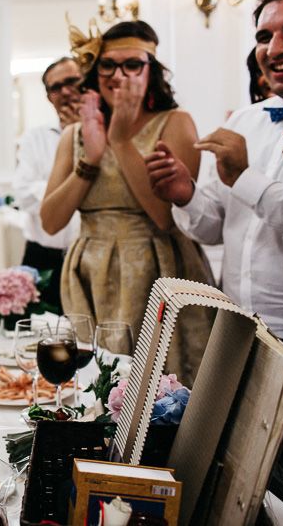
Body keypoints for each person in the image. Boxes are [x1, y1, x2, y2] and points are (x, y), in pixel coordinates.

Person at [40, 20, 214, 383]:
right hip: (90, 273)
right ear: (95, 70)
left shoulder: (175, 123)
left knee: (163, 392)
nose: (119, 75)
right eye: (108, 64)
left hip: (158, 269)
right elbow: (51, 221)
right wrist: (89, 160)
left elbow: (165, 218)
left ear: (151, 71)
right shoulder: (73, 134)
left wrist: (120, 141)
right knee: (97, 389)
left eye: (132, 64)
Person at [144, 0, 283, 345]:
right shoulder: (243, 121)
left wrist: (244, 178)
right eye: (263, 36)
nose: (275, 48)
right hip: (237, 328)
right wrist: (185, 194)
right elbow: (213, 229)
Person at [13, 57, 82, 312]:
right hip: (43, 256)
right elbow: (23, 194)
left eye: (72, 81)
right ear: (49, 97)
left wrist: (47, 187)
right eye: (56, 87)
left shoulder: (106, 135)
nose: (65, 91)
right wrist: (72, 190)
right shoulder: (35, 139)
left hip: (88, 257)